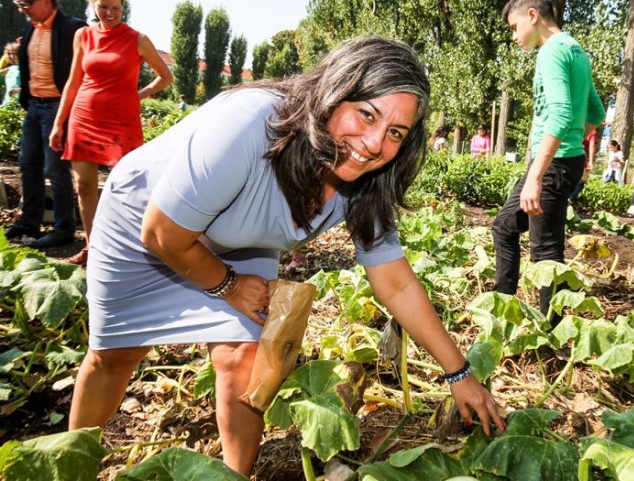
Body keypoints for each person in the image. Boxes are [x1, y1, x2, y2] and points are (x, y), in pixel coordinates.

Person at [67, 37, 505, 476]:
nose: (374, 143)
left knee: (245, 358)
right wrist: (228, 284)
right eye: (366, 113)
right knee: (117, 354)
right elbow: (163, 232)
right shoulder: (250, 123)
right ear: (333, 92)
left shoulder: (368, 184)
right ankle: (72, 466)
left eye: (395, 133)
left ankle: (234, 474)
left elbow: (396, 282)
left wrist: (459, 374)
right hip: (149, 221)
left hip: (241, 240)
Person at [493, 0, 605, 319]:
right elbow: (596, 113)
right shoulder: (577, 51)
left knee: (545, 252)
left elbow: (559, 112)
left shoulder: (552, 51)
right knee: (505, 227)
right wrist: (573, 141)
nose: (514, 36)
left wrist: (537, 176)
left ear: (533, 15)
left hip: (552, 166)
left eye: (515, 27)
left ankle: (550, 335)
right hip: (564, 161)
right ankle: (504, 306)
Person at [48, 0, 173, 267]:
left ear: (123, 5)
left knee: (129, 187)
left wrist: (139, 95)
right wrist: (59, 122)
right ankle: (92, 249)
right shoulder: (83, 36)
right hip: (84, 116)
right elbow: (73, 82)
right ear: (93, 3)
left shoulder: (137, 39)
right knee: (85, 186)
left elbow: (166, 76)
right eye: (104, 7)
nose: (110, 13)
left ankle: (130, 249)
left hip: (122, 122)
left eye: (115, 7)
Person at [3, 0, 86, 249]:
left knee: (56, 169)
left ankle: (63, 229)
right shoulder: (30, 28)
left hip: (57, 108)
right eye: (18, 4)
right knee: (28, 164)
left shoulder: (73, 28)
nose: (22, 9)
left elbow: (82, 73)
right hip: (34, 106)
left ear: (46, 1)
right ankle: (29, 222)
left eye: (25, 3)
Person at [569, 128, 597, 202]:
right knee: (581, 181)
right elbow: (592, 145)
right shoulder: (592, 131)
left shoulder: (576, 127)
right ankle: (570, 198)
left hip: (570, 155)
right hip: (582, 158)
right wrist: (590, 161)